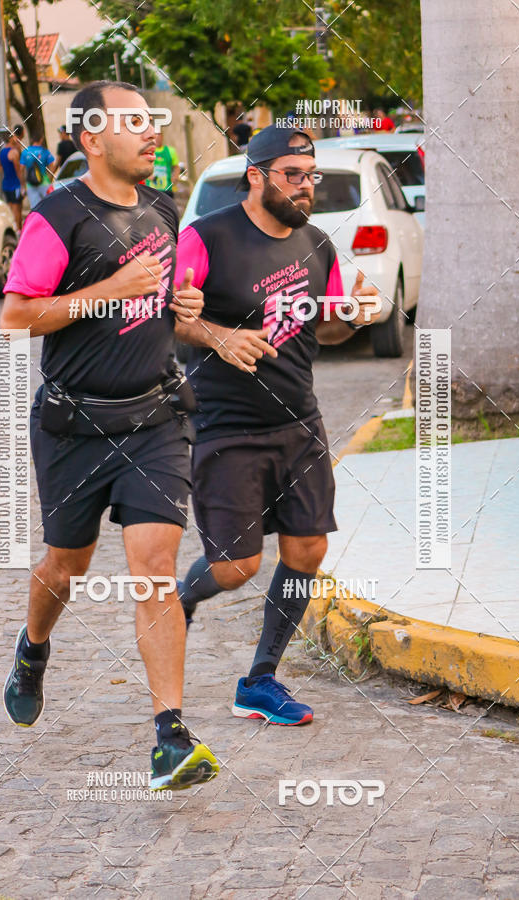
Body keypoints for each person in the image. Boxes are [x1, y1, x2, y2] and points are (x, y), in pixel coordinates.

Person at [0, 80, 218, 792]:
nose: (151, 132)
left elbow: (174, 309)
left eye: (152, 121)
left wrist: (185, 307)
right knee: (65, 566)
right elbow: (17, 319)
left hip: (156, 418)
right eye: (133, 122)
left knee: (154, 567)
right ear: (93, 138)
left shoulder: (164, 208)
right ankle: (34, 648)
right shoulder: (56, 217)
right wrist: (113, 285)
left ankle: (169, 736)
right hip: (75, 425)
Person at [174, 125, 381, 726]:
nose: (306, 187)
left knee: (307, 549)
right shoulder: (205, 238)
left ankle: (260, 680)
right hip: (226, 425)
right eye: (293, 174)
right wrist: (219, 334)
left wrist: (355, 315)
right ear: (256, 175)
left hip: (300, 423)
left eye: (311, 176)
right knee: (236, 567)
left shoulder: (316, 244)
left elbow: (330, 329)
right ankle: (183, 596)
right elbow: (170, 316)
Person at [0, 125, 26, 230]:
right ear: (11, 138)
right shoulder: (14, 152)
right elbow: (18, 171)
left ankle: (13, 229)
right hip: (15, 184)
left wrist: (5, 170)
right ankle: (18, 230)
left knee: (11, 208)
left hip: (6, 184)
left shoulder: (3, 151)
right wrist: (23, 185)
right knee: (17, 209)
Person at [20, 134, 55, 209]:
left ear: (32, 140)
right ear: (41, 139)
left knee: (35, 208)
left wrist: (23, 185)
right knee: (49, 206)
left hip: (30, 183)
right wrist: (49, 179)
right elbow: (52, 167)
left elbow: (21, 169)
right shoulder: (45, 151)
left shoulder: (25, 152)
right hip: (44, 182)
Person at [144, 131, 179, 196]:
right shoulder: (147, 150)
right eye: (155, 136)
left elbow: (176, 167)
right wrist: (147, 176)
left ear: (162, 137)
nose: (157, 138)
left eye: (159, 136)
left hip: (166, 190)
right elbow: (141, 166)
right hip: (151, 190)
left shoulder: (170, 151)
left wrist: (174, 178)